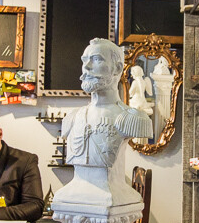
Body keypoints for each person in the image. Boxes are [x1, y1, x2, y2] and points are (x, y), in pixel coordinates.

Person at [55, 39, 152, 206]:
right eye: (84, 60)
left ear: (117, 68)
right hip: (75, 199)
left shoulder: (133, 118)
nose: (87, 67)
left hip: (111, 200)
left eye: (96, 59)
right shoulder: (72, 118)